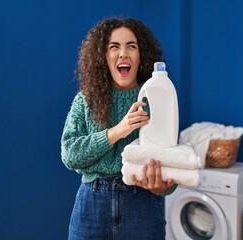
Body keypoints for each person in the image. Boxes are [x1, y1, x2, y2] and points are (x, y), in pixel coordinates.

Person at [61, 18, 177, 240]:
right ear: (103, 56)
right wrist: (118, 131)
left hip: (142, 204)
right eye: (114, 46)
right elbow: (70, 155)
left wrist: (162, 187)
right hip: (91, 208)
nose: (123, 54)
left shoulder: (157, 96)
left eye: (131, 46)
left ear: (141, 55)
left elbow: (171, 164)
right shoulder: (86, 100)